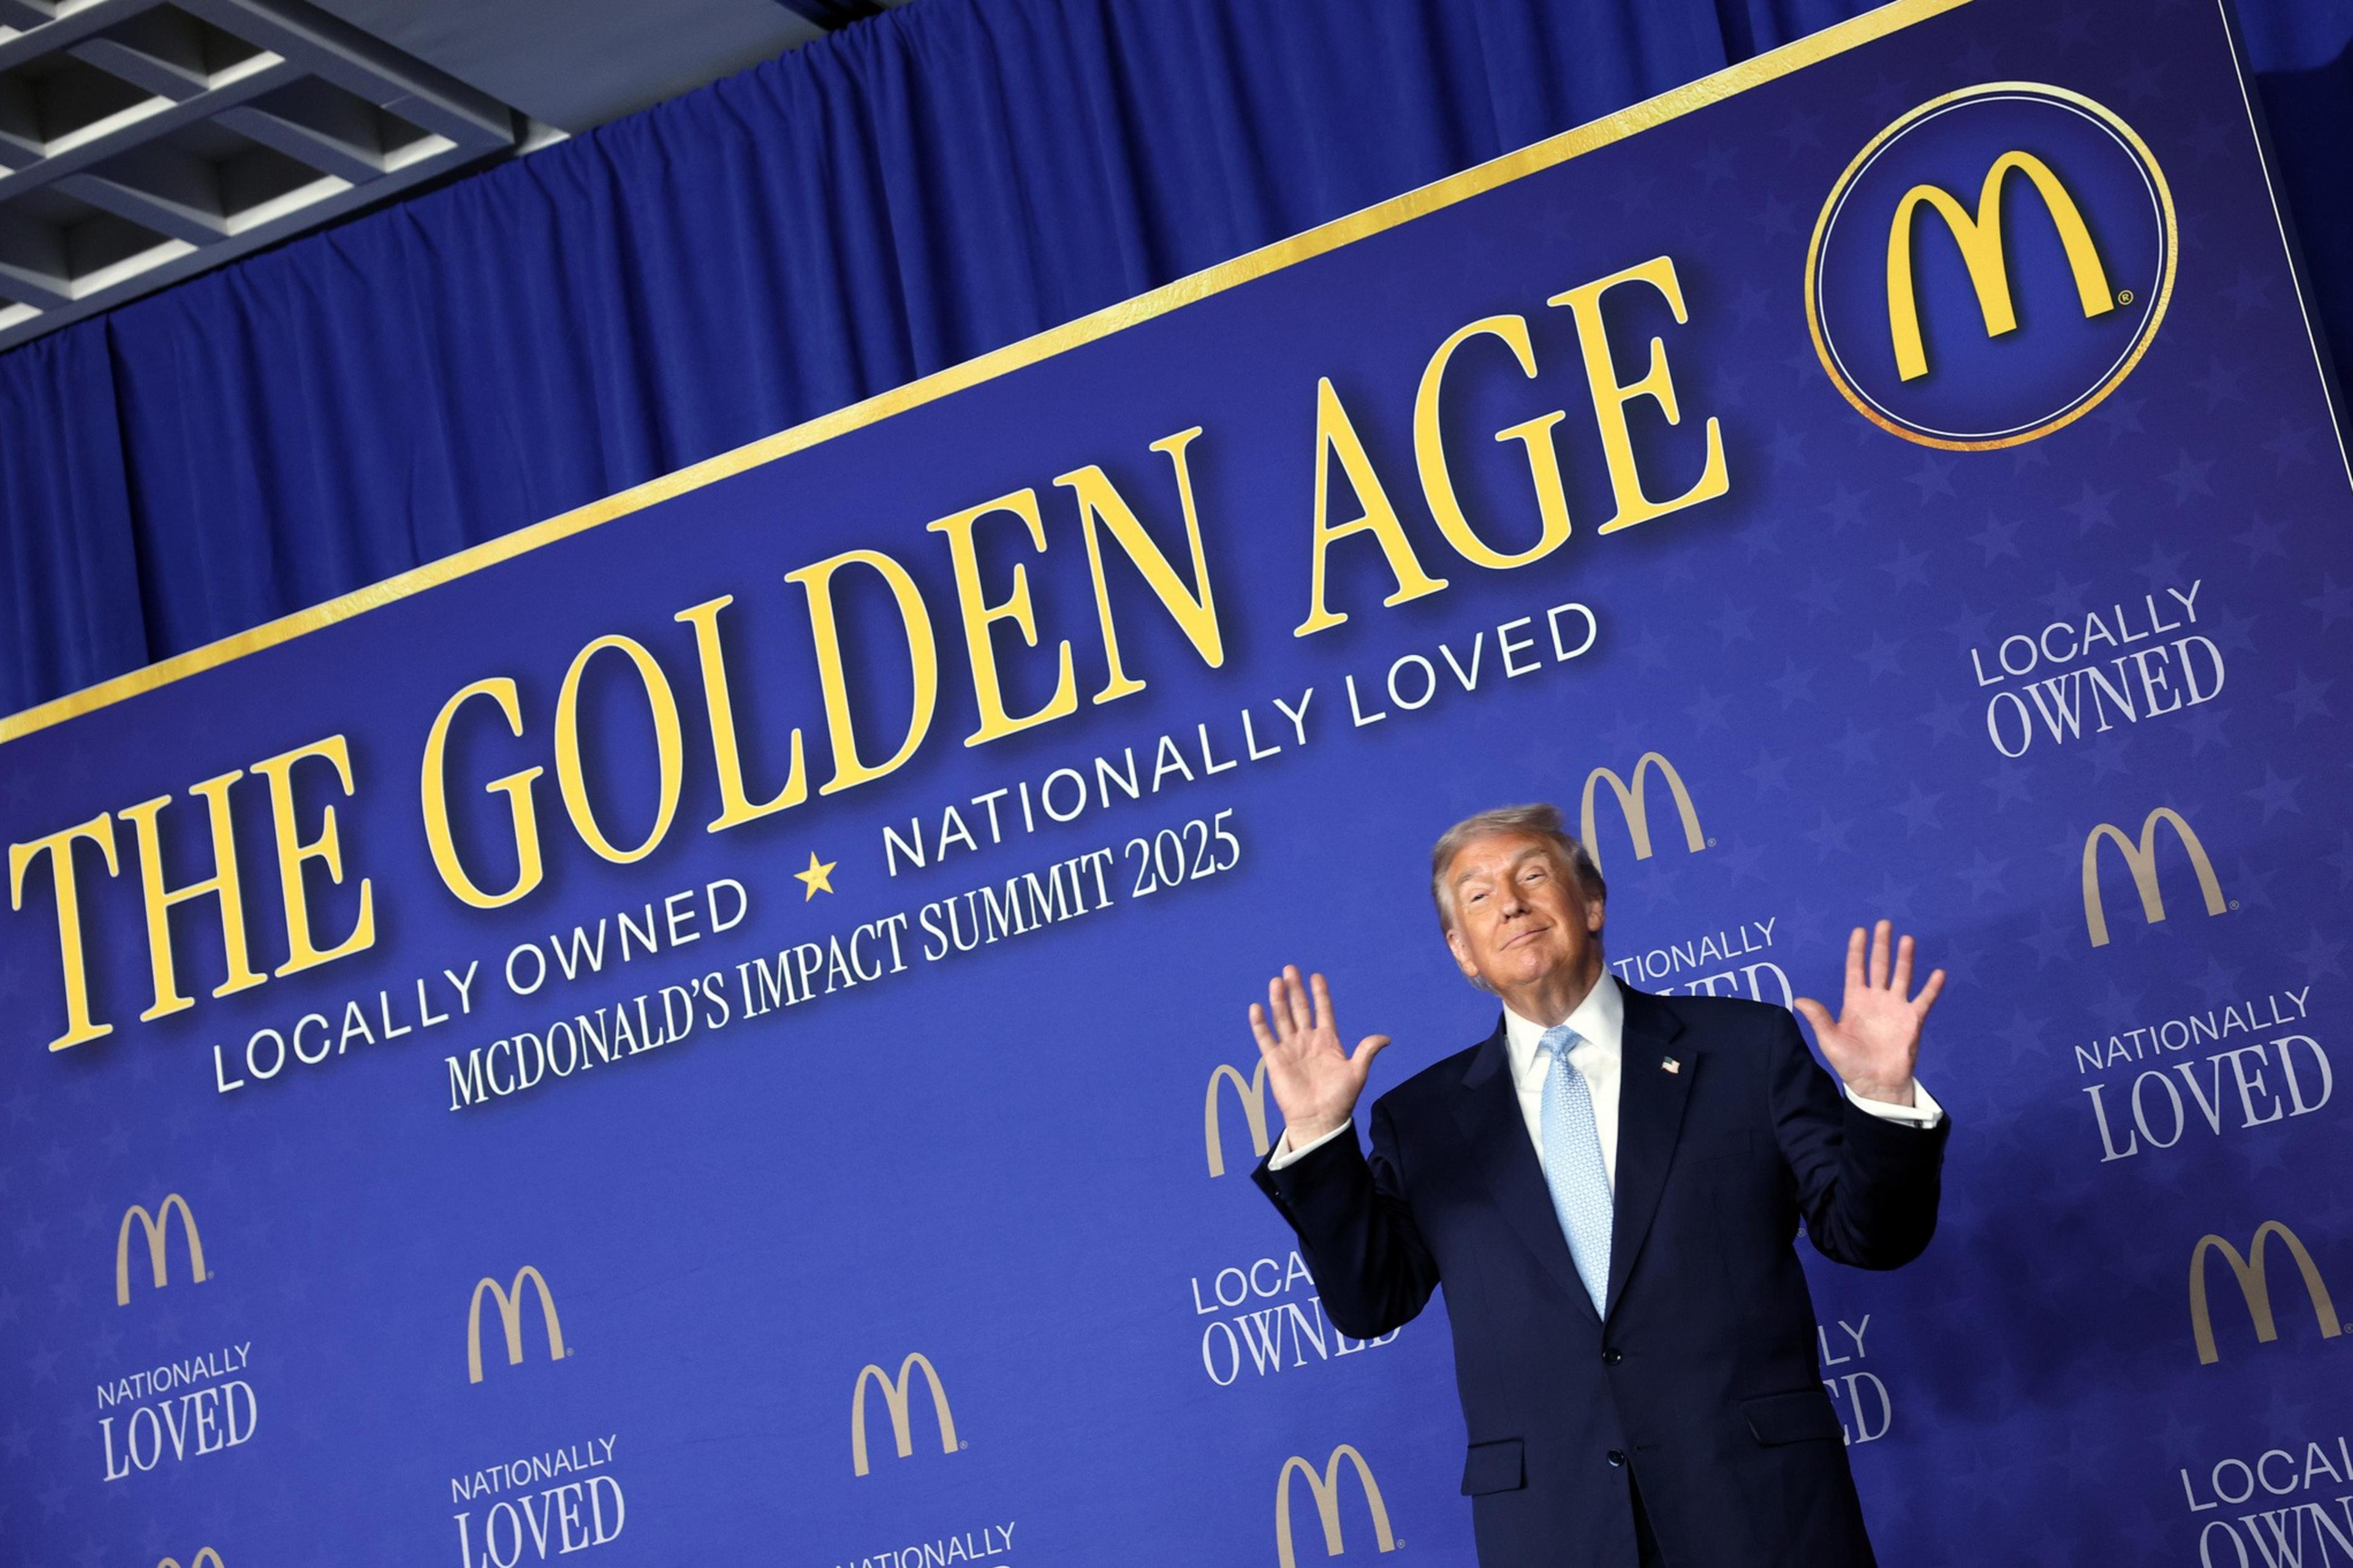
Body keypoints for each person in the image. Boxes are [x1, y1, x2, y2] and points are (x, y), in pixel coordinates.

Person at [1248, 803, 1949, 1568]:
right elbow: (1371, 1301)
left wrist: (1881, 1102)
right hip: (1554, 1529)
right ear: (1463, 953)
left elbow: (1873, 1237)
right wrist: (1319, 1139)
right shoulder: (1421, 1122)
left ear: (1591, 904)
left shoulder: (1746, 1049)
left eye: (1533, 875)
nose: (1510, 902)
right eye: (1478, 896)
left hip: (1763, 1510)